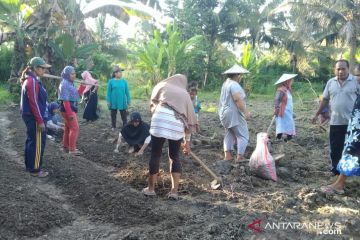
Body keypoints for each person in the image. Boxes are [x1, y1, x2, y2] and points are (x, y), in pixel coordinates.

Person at [142, 74, 198, 199]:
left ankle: (150, 189)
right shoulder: (184, 94)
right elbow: (189, 119)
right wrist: (187, 142)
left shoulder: (161, 85)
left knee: (155, 154)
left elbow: (153, 104)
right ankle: (174, 192)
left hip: (159, 120)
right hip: (176, 124)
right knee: (174, 156)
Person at [312, 60, 359, 175]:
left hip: (352, 123)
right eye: (338, 69)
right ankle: (336, 170)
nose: (341, 71)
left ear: (348, 69)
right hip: (336, 122)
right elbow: (325, 100)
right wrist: (317, 114)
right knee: (335, 149)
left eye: (343, 69)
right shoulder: (330, 82)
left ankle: (349, 172)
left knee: (351, 148)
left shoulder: (355, 81)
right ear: (335, 70)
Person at [321, 64, 360, 194]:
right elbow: (325, 99)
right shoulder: (331, 82)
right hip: (348, 126)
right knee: (341, 149)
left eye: (359, 75)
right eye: (356, 75)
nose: (357, 78)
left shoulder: (354, 85)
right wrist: (321, 113)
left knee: (351, 152)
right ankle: (338, 178)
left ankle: (339, 183)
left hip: (356, 130)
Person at [20, 57, 51, 177]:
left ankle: (30, 166)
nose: (44, 71)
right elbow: (34, 103)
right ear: (36, 68)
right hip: (34, 117)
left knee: (32, 141)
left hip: (30, 116)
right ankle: (35, 170)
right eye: (43, 68)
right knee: (38, 143)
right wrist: (40, 121)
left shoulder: (32, 79)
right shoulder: (32, 82)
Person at [218, 64, 251, 162]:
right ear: (237, 75)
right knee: (243, 135)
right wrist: (245, 112)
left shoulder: (226, 84)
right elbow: (237, 99)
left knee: (230, 133)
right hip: (233, 114)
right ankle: (240, 157)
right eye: (240, 75)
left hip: (224, 113)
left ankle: (227, 155)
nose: (241, 77)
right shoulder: (234, 84)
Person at [58, 66, 82, 156]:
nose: (74, 75)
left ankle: (65, 147)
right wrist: (70, 113)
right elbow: (65, 100)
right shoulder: (64, 84)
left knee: (68, 128)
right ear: (67, 75)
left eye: (74, 73)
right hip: (68, 109)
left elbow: (77, 94)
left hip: (71, 108)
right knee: (75, 128)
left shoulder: (70, 83)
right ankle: (72, 150)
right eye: (72, 74)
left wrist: (83, 86)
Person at [274, 74, 297, 141]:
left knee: (289, 124)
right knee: (281, 124)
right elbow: (277, 100)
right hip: (283, 111)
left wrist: (292, 112)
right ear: (287, 81)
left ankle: (287, 139)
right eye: (290, 81)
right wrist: (276, 108)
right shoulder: (281, 90)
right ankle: (279, 138)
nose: (291, 82)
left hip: (288, 111)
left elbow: (289, 102)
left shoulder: (288, 90)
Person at [106, 66, 131, 130]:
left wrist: (128, 101)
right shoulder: (111, 82)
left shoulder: (124, 81)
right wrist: (108, 101)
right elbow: (108, 92)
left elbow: (127, 92)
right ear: (115, 73)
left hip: (122, 101)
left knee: (124, 114)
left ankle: (125, 125)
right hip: (113, 101)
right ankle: (113, 126)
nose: (121, 73)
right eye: (119, 72)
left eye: (121, 72)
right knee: (113, 114)